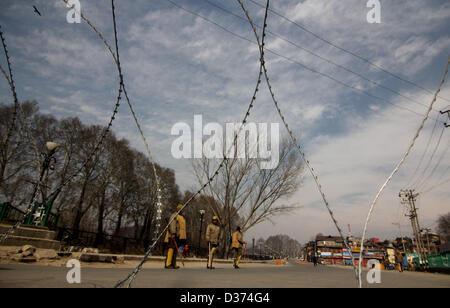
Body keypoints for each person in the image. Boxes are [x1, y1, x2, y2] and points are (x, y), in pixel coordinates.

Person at [164, 204, 187, 269]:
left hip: (177, 236)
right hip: (172, 235)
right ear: (178, 209)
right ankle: (168, 264)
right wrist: (173, 233)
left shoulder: (181, 217)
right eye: (180, 209)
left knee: (175, 250)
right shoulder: (174, 215)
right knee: (171, 249)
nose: (181, 210)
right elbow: (172, 224)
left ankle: (173, 264)